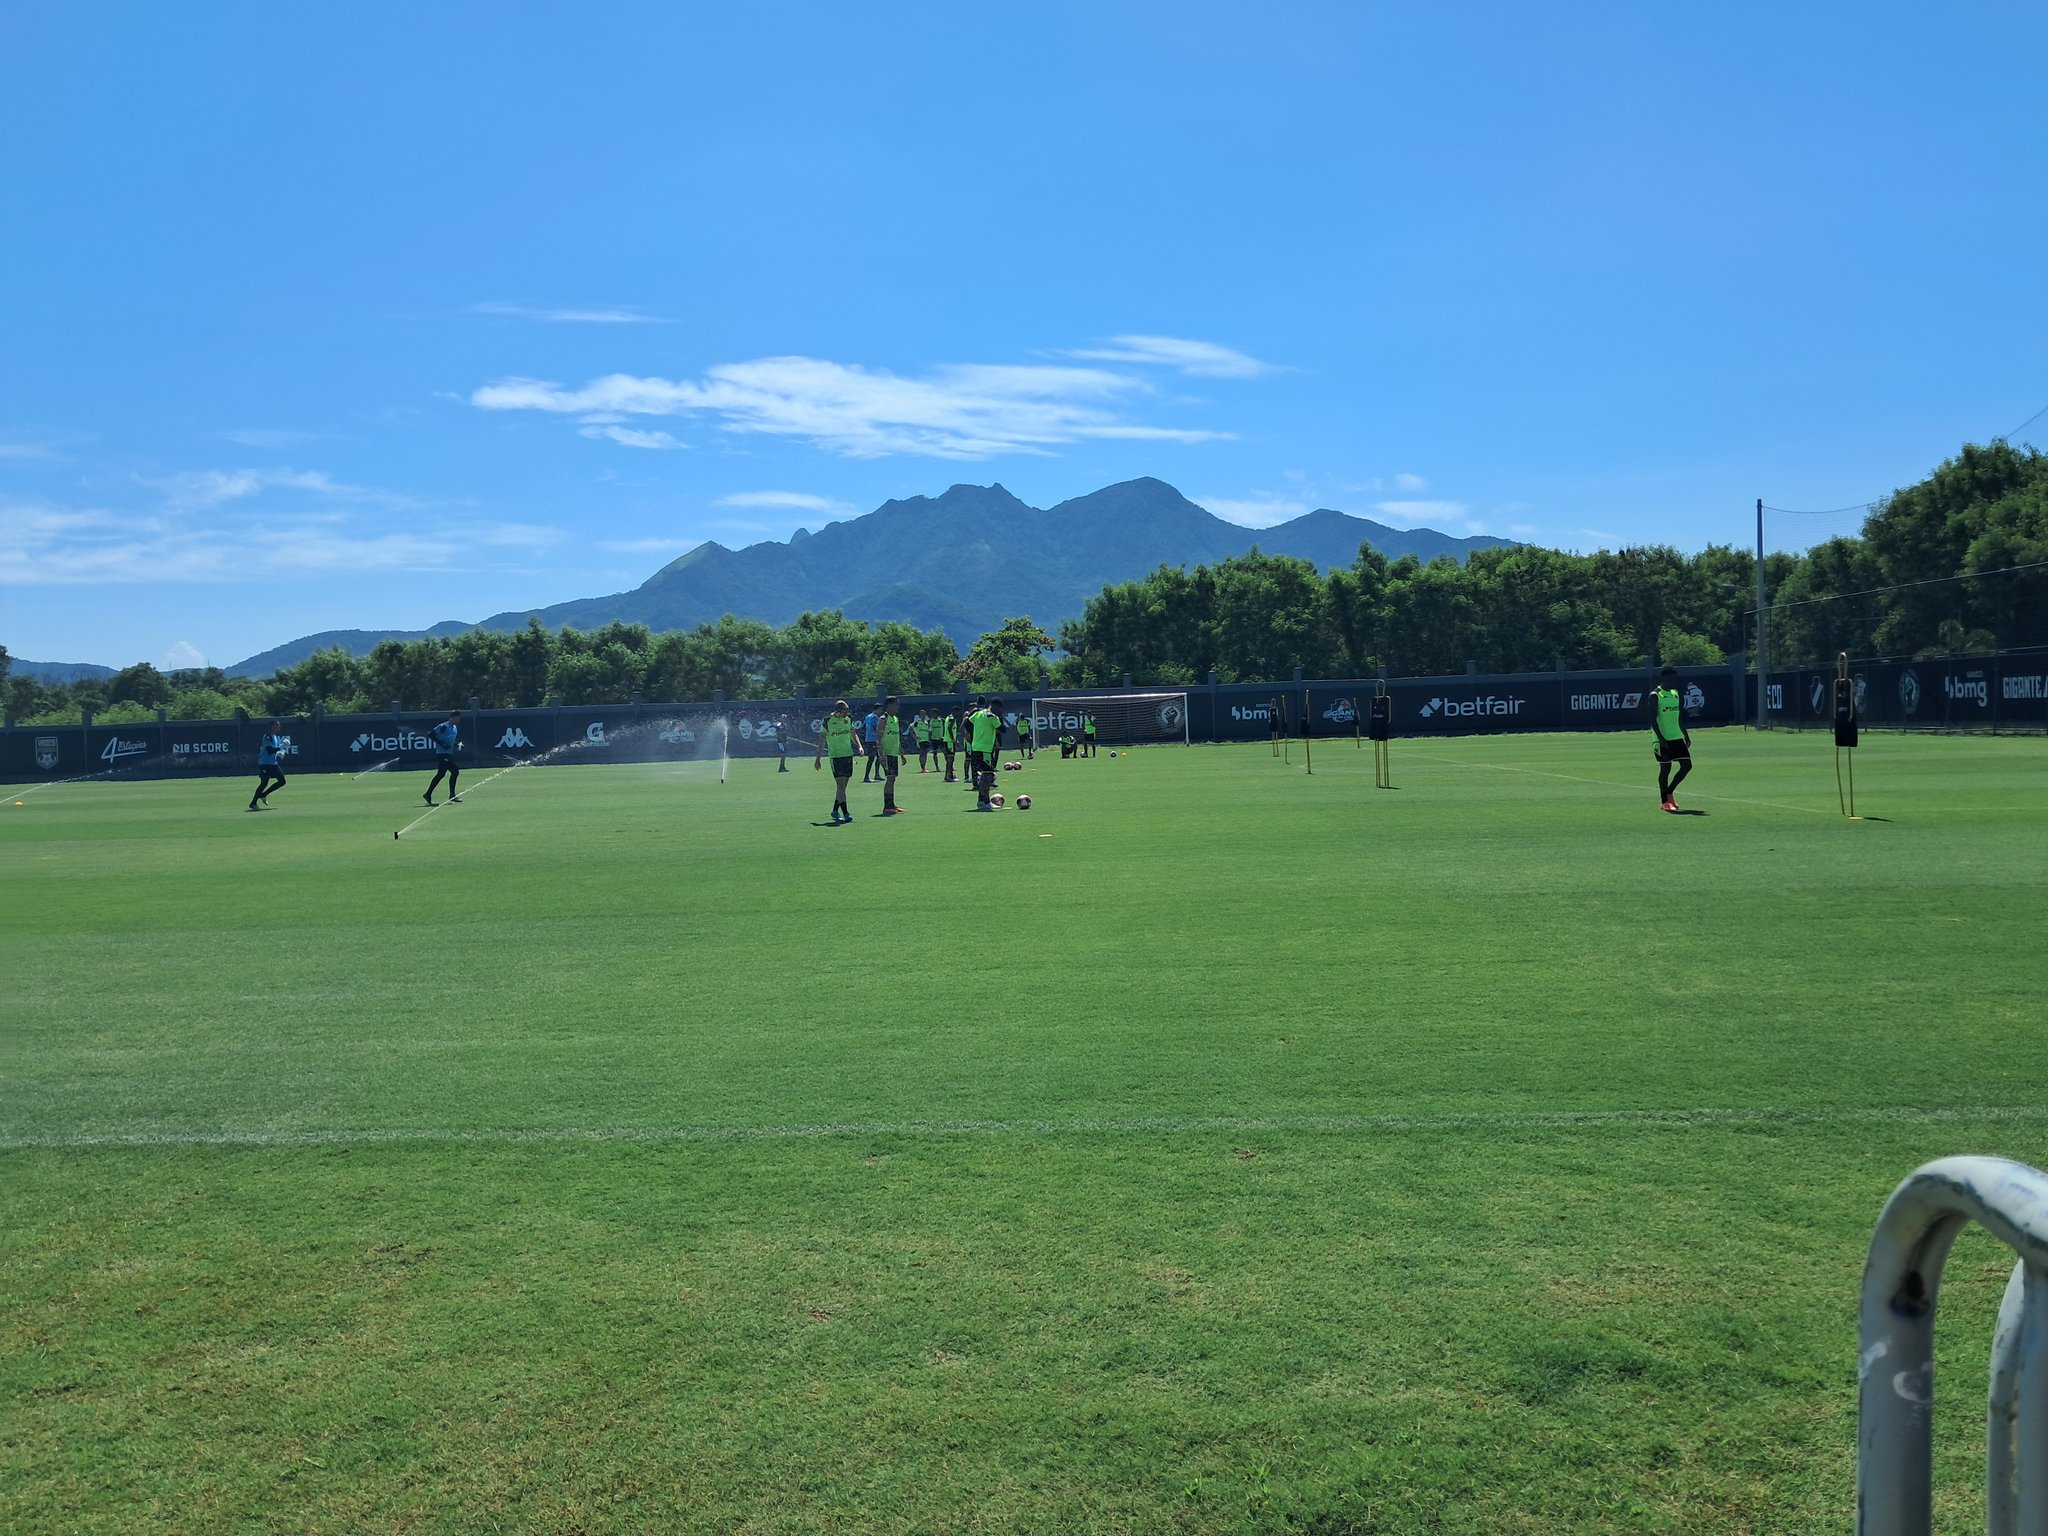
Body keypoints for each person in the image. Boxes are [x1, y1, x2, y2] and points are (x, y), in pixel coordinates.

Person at [814, 698, 863, 822]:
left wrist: (859, 746)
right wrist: (817, 759)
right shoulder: (827, 721)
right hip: (836, 757)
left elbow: (853, 733)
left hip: (848, 756)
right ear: (838, 711)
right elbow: (822, 741)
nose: (847, 713)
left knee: (842, 788)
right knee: (841, 786)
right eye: (845, 711)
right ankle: (846, 813)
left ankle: (835, 810)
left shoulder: (848, 719)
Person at [1651, 666, 1692, 811]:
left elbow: (1679, 716)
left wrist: (1685, 735)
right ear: (1664, 678)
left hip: (1676, 736)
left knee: (1687, 766)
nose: (1674, 681)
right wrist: (1661, 738)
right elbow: (1652, 719)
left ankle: (1669, 792)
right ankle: (1664, 802)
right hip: (1662, 738)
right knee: (1666, 768)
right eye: (1671, 678)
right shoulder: (1656, 695)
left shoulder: (1675, 693)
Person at [967, 697, 1000, 808]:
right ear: (995, 706)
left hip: (975, 748)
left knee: (986, 774)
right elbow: (1002, 729)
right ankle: (984, 801)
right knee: (988, 775)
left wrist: (973, 736)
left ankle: (983, 800)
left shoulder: (978, 714)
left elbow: (967, 722)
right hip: (985, 750)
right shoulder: (991, 716)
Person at [249, 719, 289, 810]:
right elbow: (270, 751)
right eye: (277, 725)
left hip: (272, 764)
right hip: (265, 764)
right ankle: (253, 803)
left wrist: (280, 753)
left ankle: (263, 795)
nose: (279, 726)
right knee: (264, 783)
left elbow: (275, 750)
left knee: (282, 781)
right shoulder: (268, 736)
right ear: (272, 726)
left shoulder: (274, 737)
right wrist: (282, 746)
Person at [424, 711, 462, 805]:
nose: (459, 720)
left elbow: (449, 739)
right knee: (455, 771)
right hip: (442, 754)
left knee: (441, 774)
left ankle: (428, 794)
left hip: (448, 754)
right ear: (453, 717)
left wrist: (457, 744)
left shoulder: (454, 728)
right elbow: (431, 734)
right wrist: (442, 744)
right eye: (458, 718)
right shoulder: (443, 726)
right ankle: (452, 795)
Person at [877, 696, 904, 814]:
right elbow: (878, 739)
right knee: (890, 778)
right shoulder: (883, 719)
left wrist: (901, 754)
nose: (898, 706)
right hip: (886, 754)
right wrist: (881, 755)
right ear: (889, 706)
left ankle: (892, 804)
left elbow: (897, 738)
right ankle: (887, 806)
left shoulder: (895, 719)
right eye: (896, 704)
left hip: (893, 753)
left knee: (892, 779)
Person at [861, 704, 881, 783]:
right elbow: (875, 727)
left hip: (868, 739)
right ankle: (866, 777)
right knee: (872, 758)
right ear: (877, 709)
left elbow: (864, 726)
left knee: (878, 757)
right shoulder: (874, 717)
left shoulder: (868, 716)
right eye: (880, 709)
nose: (881, 711)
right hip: (873, 740)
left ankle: (877, 775)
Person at [941, 708, 960, 782]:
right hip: (949, 742)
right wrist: (953, 739)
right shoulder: (952, 719)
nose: (958, 714)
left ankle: (950, 775)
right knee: (950, 759)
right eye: (957, 712)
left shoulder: (948, 718)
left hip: (948, 741)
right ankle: (948, 776)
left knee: (950, 759)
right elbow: (949, 728)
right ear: (954, 712)